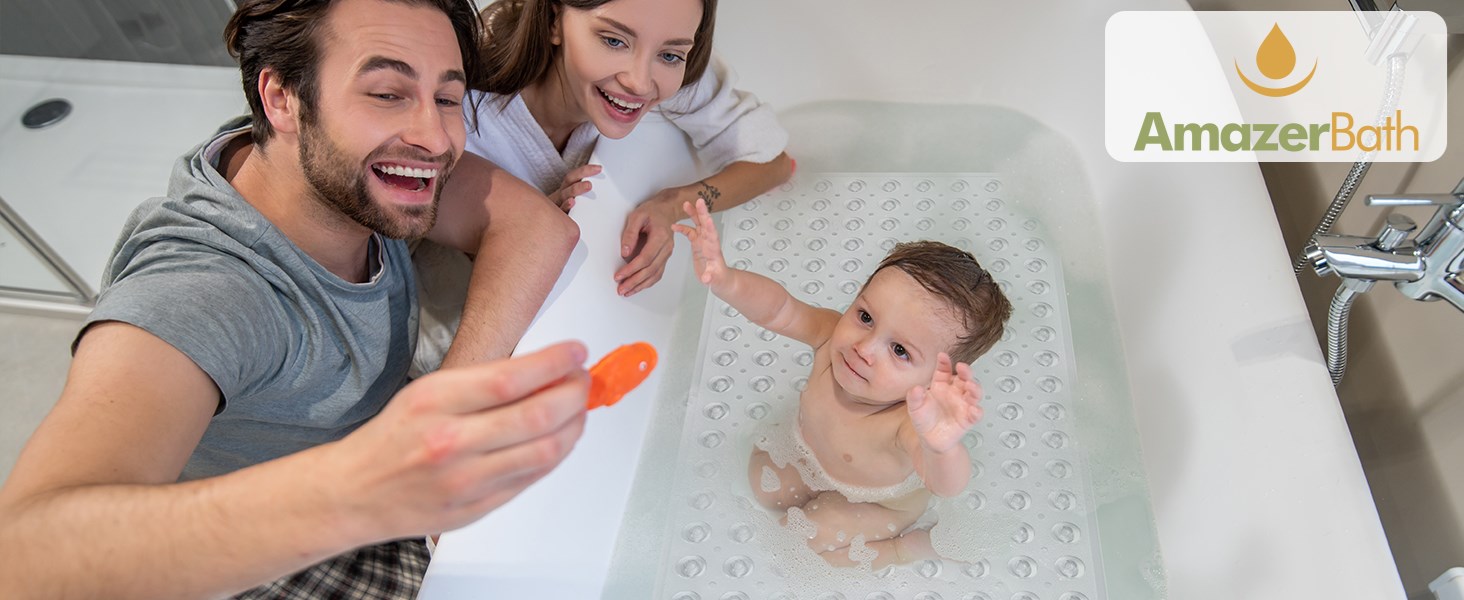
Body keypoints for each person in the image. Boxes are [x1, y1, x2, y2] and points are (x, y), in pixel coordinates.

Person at [0, 0, 586, 597]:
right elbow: (25, 560)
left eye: (445, 98)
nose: (435, 139)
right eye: (387, 93)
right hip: (270, 561)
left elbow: (536, 229)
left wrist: (451, 404)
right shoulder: (203, 288)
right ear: (280, 98)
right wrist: (363, 488)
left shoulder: (330, 166)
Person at [411, 0, 793, 374]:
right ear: (555, 19)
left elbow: (773, 164)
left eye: (671, 55)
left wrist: (672, 204)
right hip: (446, 336)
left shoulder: (668, 67)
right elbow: (403, 232)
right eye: (613, 41)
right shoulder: (461, 101)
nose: (639, 82)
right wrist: (523, 222)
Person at [674, 199, 1014, 569]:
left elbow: (946, 485)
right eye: (866, 316)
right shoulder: (828, 335)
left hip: (876, 503)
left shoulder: (907, 423)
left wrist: (942, 445)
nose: (864, 348)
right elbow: (779, 309)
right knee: (762, 484)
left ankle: (905, 548)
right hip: (808, 457)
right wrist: (727, 280)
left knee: (795, 540)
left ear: (936, 380)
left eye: (899, 350)